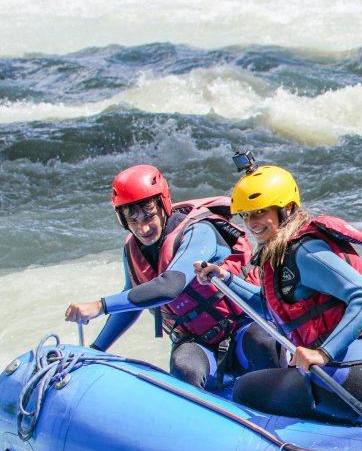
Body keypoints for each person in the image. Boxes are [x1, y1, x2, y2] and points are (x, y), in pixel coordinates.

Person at [196, 165, 362, 424]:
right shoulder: (285, 252)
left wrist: (323, 353)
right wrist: (224, 278)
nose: (251, 223)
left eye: (261, 212)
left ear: (287, 209)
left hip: (352, 378)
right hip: (356, 375)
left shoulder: (305, 251)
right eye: (246, 215)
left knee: (244, 389)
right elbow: (266, 305)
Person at [65, 164, 281, 389]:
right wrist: (96, 350)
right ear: (123, 221)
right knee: (184, 366)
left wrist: (101, 305)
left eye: (149, 217)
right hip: (198, 344)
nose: (144, 228)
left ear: (163, 205)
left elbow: (170, 287)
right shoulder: (132, 249)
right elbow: (131, 303)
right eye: (134, 221)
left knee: (263, 341)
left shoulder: (200, 232)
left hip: (241, 330)